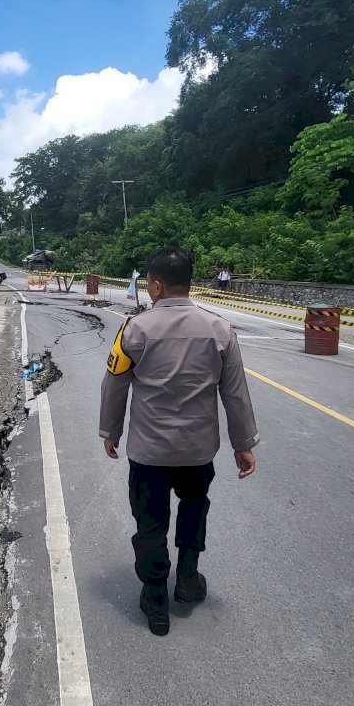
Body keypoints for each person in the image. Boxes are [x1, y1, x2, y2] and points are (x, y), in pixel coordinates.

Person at [99, 245, 258, 637]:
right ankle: (188, 578)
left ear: (154, 286)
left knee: (150, 522)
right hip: (197, 452)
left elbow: (114, 384)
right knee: (193, 508)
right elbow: (235, 393)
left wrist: (110, 431)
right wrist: (243, 443)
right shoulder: (220, 329)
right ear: (189, 284)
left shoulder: (135, 329)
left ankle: (155, 599)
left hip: (149, 454)